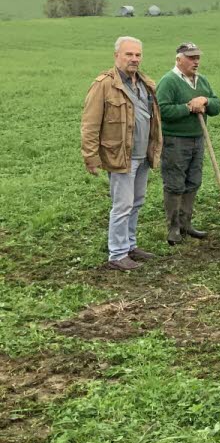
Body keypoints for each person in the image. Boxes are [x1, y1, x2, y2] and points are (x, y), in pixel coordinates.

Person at [81, 36, 163, 270]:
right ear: (116, 55)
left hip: (143, 154)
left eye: (138, 55)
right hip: (120, 156)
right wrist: (90, 155)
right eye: (129, 54)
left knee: (136, 202)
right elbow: (90, 123)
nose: (134, 59)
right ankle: (117, 254)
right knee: (122, 205)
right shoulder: (104, 84)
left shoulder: (145, 83)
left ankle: (130, 246)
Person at [157, 42, 220, 246]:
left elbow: (217, 105)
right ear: (179, 59)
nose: (196, 61)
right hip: (175, 140)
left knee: (193, 181)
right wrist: (188, 107)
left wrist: (205, 101)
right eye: (191, 58)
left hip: (198, 138)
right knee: (175, 183)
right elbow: (162, 110)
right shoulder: (168, 82)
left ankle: (186, 224)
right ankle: (173, 228)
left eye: (198, 58)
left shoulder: (201, 81)